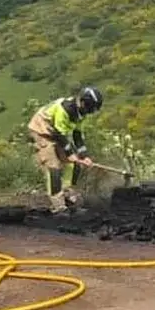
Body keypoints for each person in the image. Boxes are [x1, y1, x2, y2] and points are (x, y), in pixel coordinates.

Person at [26, 86, 103, 214]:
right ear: (83, 102)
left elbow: (77, 135)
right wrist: (70, 153)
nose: (90, 112)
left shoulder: (81, 114)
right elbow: (59, 134)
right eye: (90, 109)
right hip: (41, 132)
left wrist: (84, 156)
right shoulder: (64, 109)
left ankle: (67, 194)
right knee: (53, 168)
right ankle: (58, 206)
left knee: (73, 165)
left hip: (56, 134)